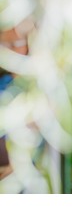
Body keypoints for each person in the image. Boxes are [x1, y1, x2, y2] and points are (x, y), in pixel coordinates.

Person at [0, 19, 33, 180]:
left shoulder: (37, 88)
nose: (8, 53)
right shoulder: (4, 83)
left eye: (14, 44)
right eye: (4, 45)